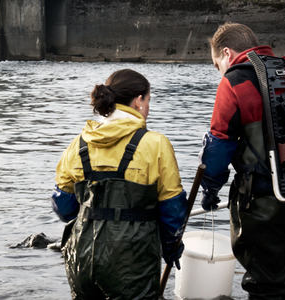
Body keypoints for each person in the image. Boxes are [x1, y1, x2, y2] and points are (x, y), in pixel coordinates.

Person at [199, 22, 285, 300]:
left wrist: (209, 191)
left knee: (268, 286)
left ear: (226, 53)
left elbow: (219, 146)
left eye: (216, 64)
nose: (218, 71)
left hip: (267, 204)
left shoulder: (235, 81)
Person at [51, 69, 188, 299]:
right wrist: (172, 246)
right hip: (132, 261)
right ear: (138, 101)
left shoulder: (78, 143)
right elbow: (172, 209)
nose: (148, 108)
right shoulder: (156, 144)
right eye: (148, 101)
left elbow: (64, 209)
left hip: (81, 259)